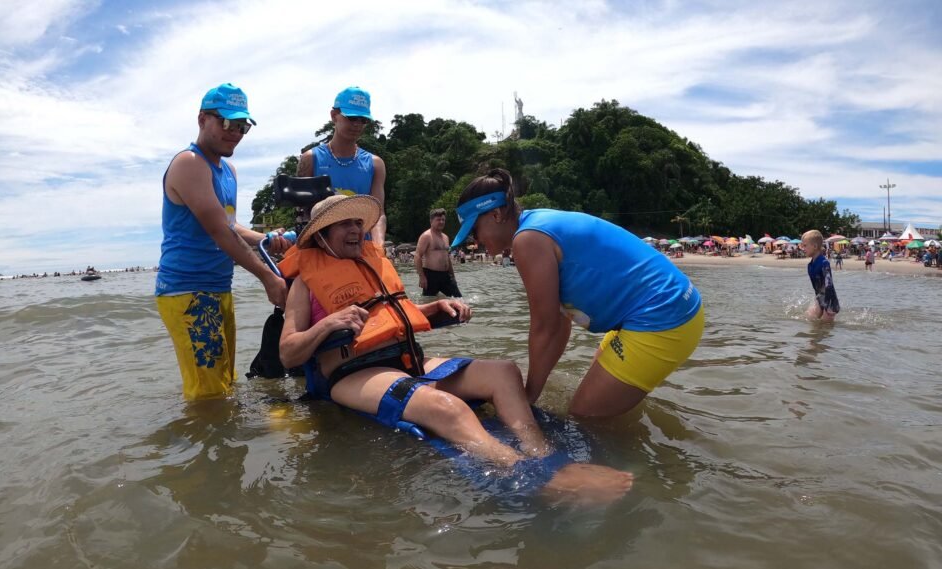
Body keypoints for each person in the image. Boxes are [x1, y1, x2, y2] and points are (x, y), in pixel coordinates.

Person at [278, 194, 633, 502]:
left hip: (406, 361)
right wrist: (327, 323)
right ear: (321, 236)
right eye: (344, 224)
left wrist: (432, 309)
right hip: (353, 373)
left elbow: (389, 316)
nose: (356, 229)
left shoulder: (373, 264)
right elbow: (288, 352)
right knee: (448, 409)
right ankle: (536, 476)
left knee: (504, 372)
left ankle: (541, 451)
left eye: (358, 221)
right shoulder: (305, 285)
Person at [451, 169, 704, 419]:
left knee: (583, 415)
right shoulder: (536, 223)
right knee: (593, 397)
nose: (476, 242)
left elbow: (544, 326)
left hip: (663, 317)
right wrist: (534, 391)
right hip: (678, 306)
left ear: (495, 214)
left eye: (474, 231)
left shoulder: (527, 240)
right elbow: (560, 322)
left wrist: (527, 396)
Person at [155, 83, 290, 401]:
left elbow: (229, 225)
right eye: (227, 122)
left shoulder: (227, 170)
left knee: (224, 382)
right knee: (208, 393)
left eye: (243, 126)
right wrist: (268, 277)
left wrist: (267, 240)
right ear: (202, 119)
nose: (236, 132)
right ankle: (201, 446)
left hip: (217, 287)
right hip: (188, 292)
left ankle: (220, 444)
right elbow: (219, 231)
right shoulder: (189, 163)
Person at [296, 86, 387, 244]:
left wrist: (378, 248)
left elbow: (378, 213)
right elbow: (301, 214)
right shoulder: (310, 159)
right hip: (323, 250)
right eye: (351, 118)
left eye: (363, 120)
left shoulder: (375, 164)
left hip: (360, 248)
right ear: (334, 116)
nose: (357, 124)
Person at [415, 208, 462, 298]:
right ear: (431, 221)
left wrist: (453, 276)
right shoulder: (426, 236)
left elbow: (447, 258)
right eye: (438, 220)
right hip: (431, 276)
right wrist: (422, 277)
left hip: (446, 275)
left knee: (459, 299)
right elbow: (417, 256)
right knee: (428, 301)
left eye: (443, 220)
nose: (441, 222)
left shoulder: (445, 237)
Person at [800, 230, 840, 322]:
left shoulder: (824, 263)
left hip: (830, 301)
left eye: (805, 245)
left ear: (814, 246)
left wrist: (828, 306)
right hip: (820, 299)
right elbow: (817, 288)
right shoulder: (810, 266)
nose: (802, 248)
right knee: (809, 319)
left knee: (826, 327)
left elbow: (828, 285)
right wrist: (819, 303)